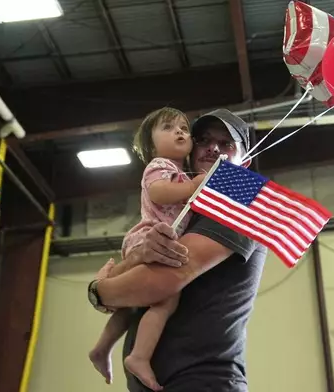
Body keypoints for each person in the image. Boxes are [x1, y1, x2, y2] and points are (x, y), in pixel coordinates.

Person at [87, 108, 268, 392]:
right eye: (204, 140)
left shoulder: (240, 193)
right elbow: (140, 270)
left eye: (226, 144)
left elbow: (163, 279)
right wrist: (128, 265)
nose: (212, 149)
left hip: (202, 378)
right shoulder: (183, 206)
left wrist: (100, 291)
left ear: (244, 160)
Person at [88, 107, 207, 391]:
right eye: (168, 127)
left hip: (154, 239)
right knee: (166, 298)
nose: (180, 131)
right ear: (151, 145)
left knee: (134, 302)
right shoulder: (160, 167)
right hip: (149, 237)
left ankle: (102, 347)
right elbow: (158, 192)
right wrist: (192, 186)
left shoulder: (178, 171)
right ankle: (139, 356)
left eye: (183, 128)